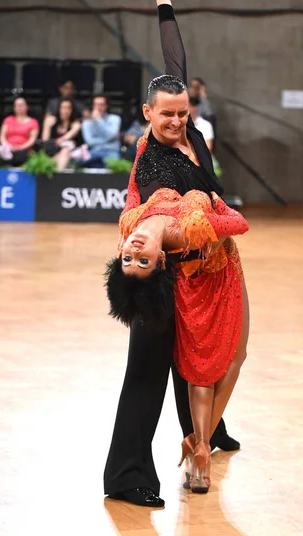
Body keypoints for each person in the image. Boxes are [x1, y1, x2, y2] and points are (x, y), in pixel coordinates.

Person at [103, 0, 241, 509]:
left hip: (205, 271)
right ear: (147, 114)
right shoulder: (152, 155)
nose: (177, 121)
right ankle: (128, 474)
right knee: (147, 375)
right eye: (167, 114)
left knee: (205, 357)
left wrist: (165, 4)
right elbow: (165, 219)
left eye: (184, 112)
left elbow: (175, 68)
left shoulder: (194, 136)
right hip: (167, 277)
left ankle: (207, 432)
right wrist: (182, 235)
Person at [106, 184, 250, 494]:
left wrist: (146, 139)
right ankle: (201, 443)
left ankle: (205, 436)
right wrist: (218, 207)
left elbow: (133, 185)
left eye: (127, 260)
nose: (134, 253)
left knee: (207, 366)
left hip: (205, 268)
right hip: (215, 275)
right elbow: (239, 224)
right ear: (159, 259)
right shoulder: (185, 230)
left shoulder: (129, 223)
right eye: (141, 261)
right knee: (211, 364)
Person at [0, 97, 39, 166]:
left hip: (24, 150)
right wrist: (8, 146)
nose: (19, 107)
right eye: (17, 105)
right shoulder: (8, 120)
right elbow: (2, 136)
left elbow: (32, 140)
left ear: (27, 107)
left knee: (21, 156)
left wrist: (20, 148)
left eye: (22, 105)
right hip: (7, 149)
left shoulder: (33, 122)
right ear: (14, 108)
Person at [79, 95, 121, 166]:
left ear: (106, 106)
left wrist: (99, 120)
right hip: (94, 150)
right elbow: (89, 141)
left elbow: (111, 135)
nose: (98, 107)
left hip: (111, 150)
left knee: (115, 166)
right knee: (79, 162)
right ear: (93, 106)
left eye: (101, 105)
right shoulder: (86, 122)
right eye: (96, 104)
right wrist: (110, 139)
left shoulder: (115, 118)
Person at [41, 98, 82, 170]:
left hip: (72, 154)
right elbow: (45, 141)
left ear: (72, 110)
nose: (65, 111)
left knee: (64, 152)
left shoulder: (76, 124)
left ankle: (59, 177)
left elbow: (65, 138)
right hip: (53, 152)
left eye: (68, 108)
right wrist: (47, 126)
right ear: (59, 109)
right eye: (63, 107)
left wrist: (59, 141)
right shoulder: (52, 122)